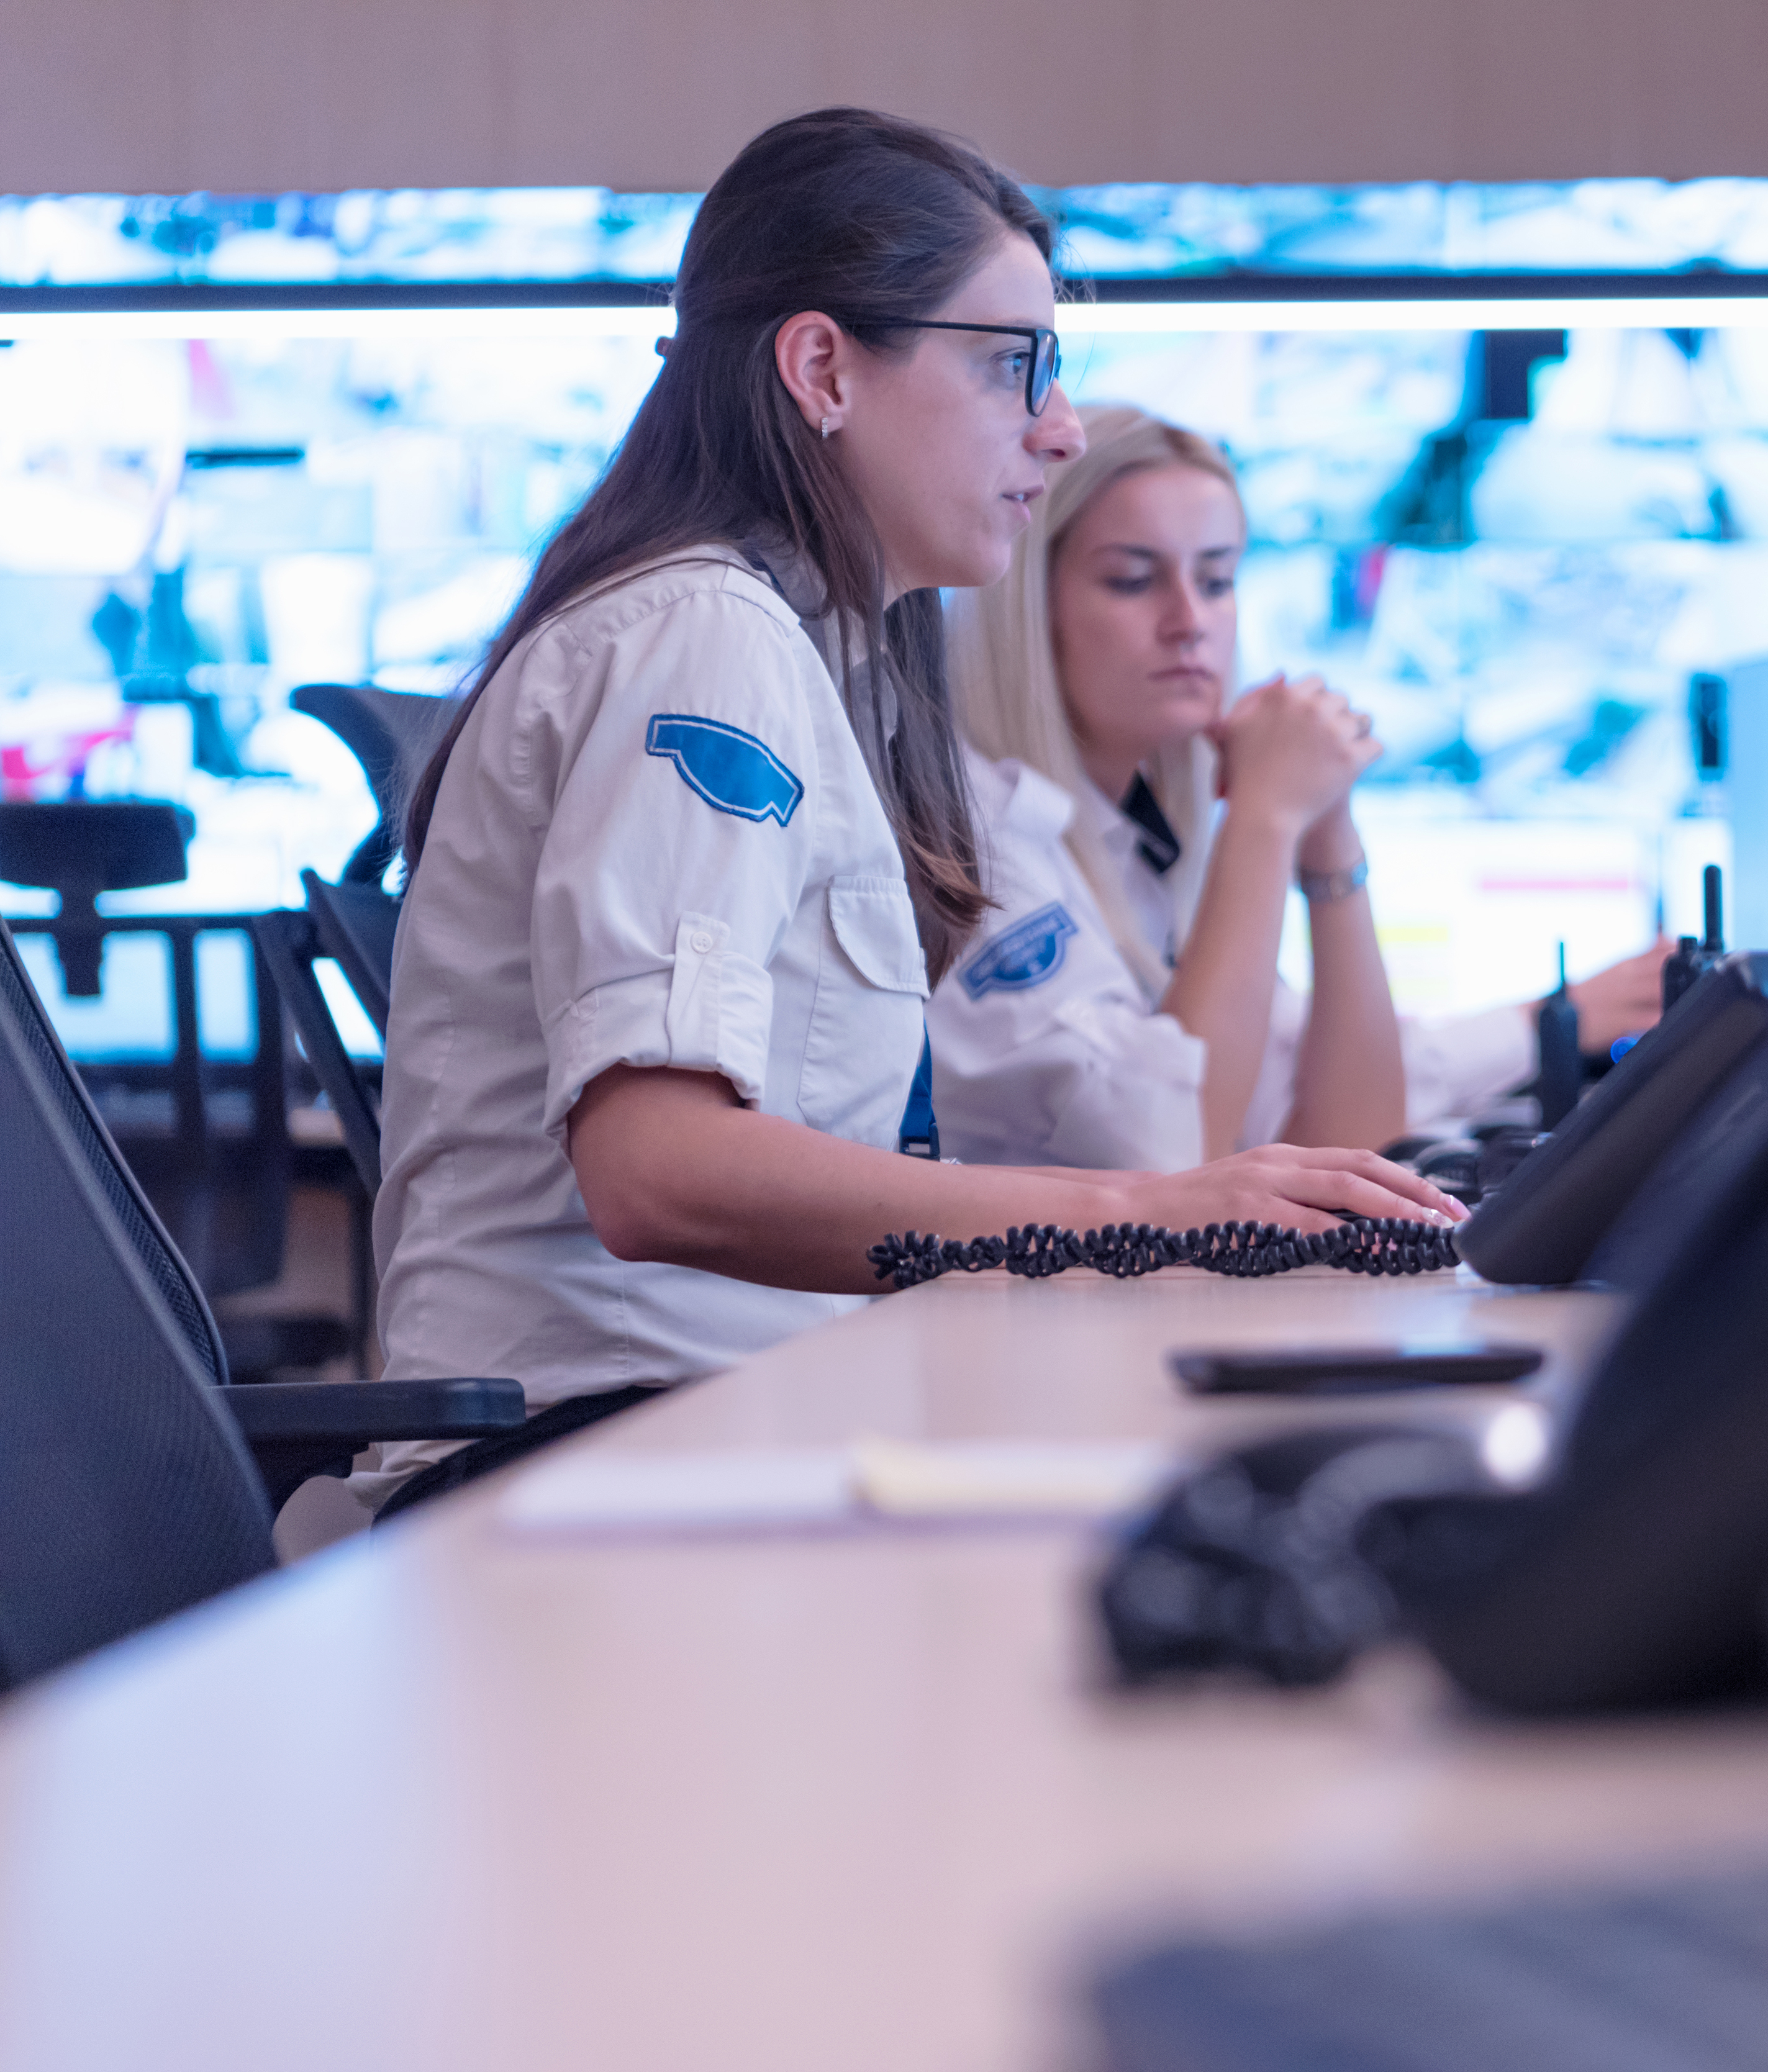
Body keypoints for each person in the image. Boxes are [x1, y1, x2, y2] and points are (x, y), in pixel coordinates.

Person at [371, 112, 1457, 1516]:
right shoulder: (706, 637)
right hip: (592, 1458)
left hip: (708, 1432)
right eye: (1017, 365)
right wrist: (1138, 1217)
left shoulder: (814, 663)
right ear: (823, 367)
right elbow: (657, 1165)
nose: (1056, 430)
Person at [930, 402, 1665, 1172]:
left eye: (1216, 580)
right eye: (1132, 580)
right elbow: (1170, 1159)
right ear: (1029, 610)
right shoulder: (974, 842)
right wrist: (1266, 818)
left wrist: (1329, 837)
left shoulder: (1140, 846)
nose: (1190, 621)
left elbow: (1354, 1133)